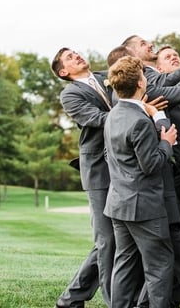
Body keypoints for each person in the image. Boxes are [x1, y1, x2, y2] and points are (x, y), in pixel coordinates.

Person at [103, 55, 179, 308]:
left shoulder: (112, 115)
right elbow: (152, 165)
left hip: (117, 203)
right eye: (144, 75)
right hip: (143, 206)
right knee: (159, 265)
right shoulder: (139, 122)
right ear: (140, 84)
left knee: (123, 264)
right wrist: (166, 143)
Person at [51, 48, 116, 308]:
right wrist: (136, 113)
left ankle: (71, 299)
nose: (76, 55)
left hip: (126, 166)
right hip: (99, 170)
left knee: (114, 239)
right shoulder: (70, 94)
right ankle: (116, 302)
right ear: (63, 72)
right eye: (69, 57)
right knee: (107, 239)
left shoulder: (107, 76)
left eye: (76, 52)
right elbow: (96, 118)